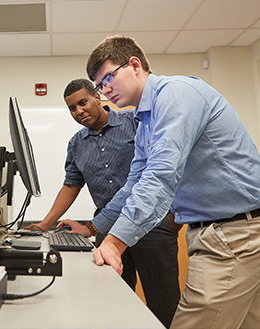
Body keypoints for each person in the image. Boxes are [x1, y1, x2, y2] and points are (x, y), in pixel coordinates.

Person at [59, 35, 260, 329]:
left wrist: (114, 243)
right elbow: (132, 186)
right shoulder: (145, 124)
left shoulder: (176, 95)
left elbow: (161, 175)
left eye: (108, 79)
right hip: (221, 233)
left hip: (235, 235)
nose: (105, 91)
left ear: (135, 65)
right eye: (100, 85)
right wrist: (96, 228)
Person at [25, 78, 181, 327]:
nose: (79, 111)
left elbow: (168, 163)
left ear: (98, 97)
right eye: (72, 109)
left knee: (163, 304)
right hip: (106, 229)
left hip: (151, 225)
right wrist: (45, 224)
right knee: (112, 303)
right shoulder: (77, 143)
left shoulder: (134, 121)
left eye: (82, 103)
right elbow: (71, 185)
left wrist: (175, 215)